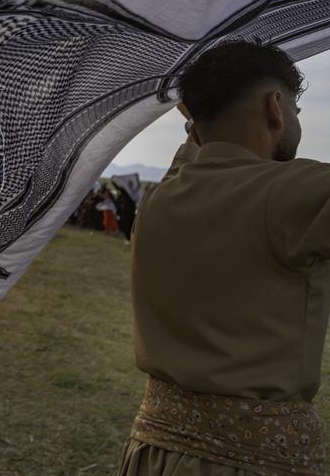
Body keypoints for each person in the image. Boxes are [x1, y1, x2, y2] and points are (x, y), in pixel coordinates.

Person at [118, 41, 329, 474]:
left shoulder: (156, 201)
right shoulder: (293, 192)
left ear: (193, 130)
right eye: (297, 110)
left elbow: (194, 163)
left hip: (151, 454)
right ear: (276, 107)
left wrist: (198, 126)